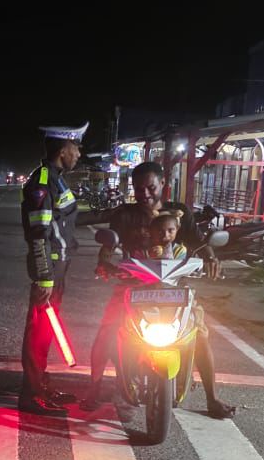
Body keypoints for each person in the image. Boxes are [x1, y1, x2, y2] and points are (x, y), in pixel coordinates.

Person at [83, 207, 235, 419]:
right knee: (109, 331)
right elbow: (110, 250)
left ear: (176, 230)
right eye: (160, 231)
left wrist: (210, 262)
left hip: (177, 299)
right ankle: (95, 388)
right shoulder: (137, 240)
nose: (165, 235)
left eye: (170, 231)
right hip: (139, 296)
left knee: (200, 335)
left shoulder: (182, 249)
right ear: (150, 231)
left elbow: (201, 249)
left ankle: (212, 398)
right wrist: (107, 266)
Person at [18, 122, 86, 415]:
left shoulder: (57, 180)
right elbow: (39, 233)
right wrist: (44, 276)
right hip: (49, 270)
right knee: (38, 333)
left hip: (59, 268)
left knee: (46, 331)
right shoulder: (43, 183)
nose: (79, 154)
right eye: (76, 147)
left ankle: (41, 385)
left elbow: (67, 220)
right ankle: (31, 396)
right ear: (63, 150)